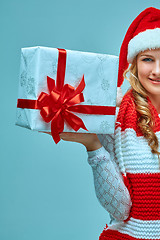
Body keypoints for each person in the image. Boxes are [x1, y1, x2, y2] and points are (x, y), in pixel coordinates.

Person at [45, 7, 160, 240]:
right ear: (135, 64)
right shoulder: (115, 117)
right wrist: (93, 145)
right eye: (148, 59)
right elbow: (119, 210)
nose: (157, 71)